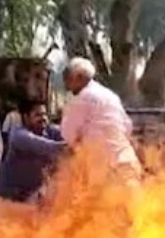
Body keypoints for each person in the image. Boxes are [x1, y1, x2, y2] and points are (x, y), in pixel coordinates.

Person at [60, 57, 141, 188]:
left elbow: (68, 134)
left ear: (79, 77)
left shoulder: (80, 98)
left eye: (68, 80)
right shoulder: (110, 96)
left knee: (101, 207)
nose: (66, 87)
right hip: (127, 162)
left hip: (104, 171)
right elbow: (127, 127)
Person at [0, 99, 66, 203]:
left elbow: (68, 133)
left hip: (32, 193)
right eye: (38, 115)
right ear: (26, 117)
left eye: (44, 114)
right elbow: (47, 146)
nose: (43, 118)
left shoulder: (50, 131)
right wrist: (68, 146)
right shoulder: (19, 135)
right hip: (11, 195)